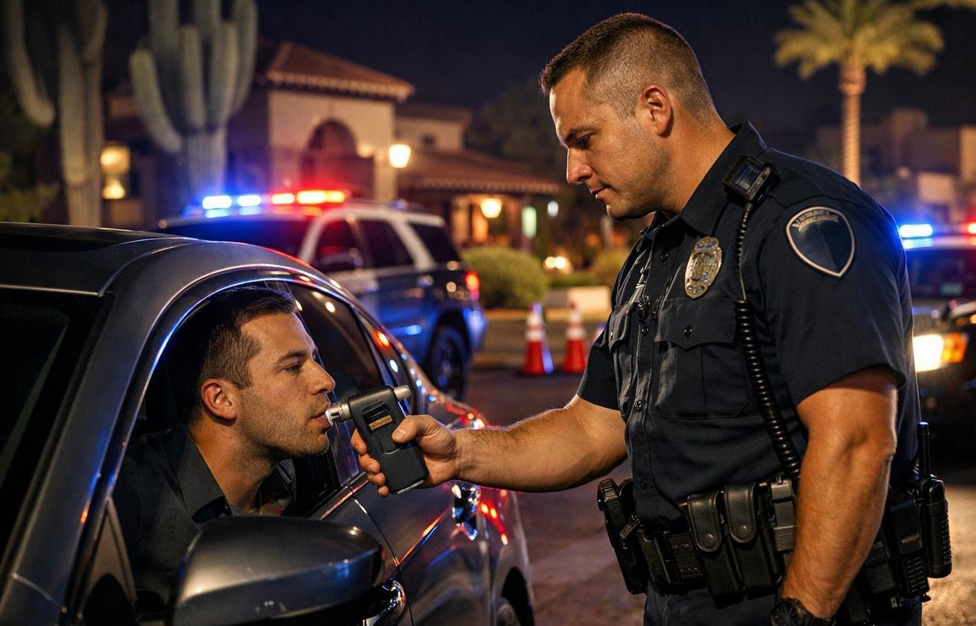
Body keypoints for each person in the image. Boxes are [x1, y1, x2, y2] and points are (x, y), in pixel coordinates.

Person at [353, 13, 921, 626]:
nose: (573, 171)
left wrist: (801, 616)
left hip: (806, 608)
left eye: (584, 139)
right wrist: (460, 454)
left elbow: (858, 442)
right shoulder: (656, 255)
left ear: (655, 109)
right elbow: (593, 428)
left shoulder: (800, 221)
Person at [114, 287, 336, 609]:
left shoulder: (291, 471)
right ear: (221, 399)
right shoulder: (130, 506)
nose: (326, 380)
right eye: (292, 366)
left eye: (314, 358)